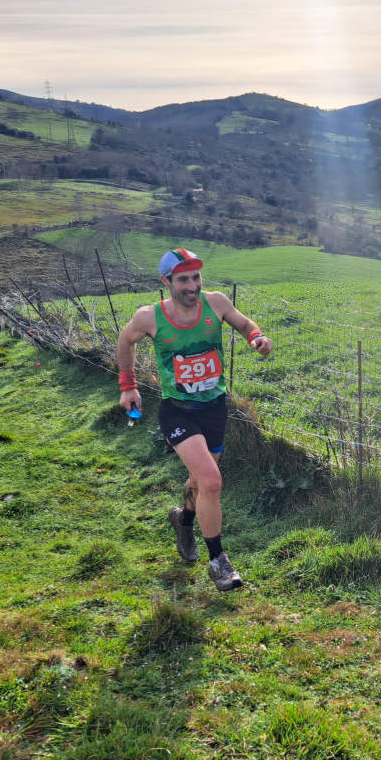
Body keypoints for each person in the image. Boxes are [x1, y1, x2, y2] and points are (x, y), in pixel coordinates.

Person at [116, 248, 273, 591]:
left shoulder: (215, 303)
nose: (192, 286)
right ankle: (218, 562)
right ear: (167, 281)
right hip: (178, 411)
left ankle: (183, 520)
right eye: (183, 279)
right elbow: (126, 340)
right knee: (211, 480)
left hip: (214, 407)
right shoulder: (149, 317)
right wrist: (128, 386)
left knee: (201, 482)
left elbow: (245, 324)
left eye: (196, 277)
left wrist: (256, 338)